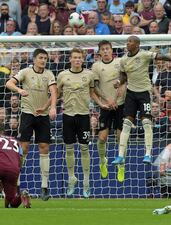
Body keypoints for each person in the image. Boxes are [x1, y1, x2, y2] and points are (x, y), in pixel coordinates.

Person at [111, 36, 171, 182]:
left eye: (130, 41)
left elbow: (163, 56)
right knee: (126, 124)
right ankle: (120, 155)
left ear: (137, 45)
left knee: (146, 123)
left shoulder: (144, 55)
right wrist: (119, 82)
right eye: (127, 41)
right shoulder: (123, 59)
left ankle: (148, 154)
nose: (127, 43)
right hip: (131, 94)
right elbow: (123, 75)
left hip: (144, 93)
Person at [5, 48, 57, 201]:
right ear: (34, 59)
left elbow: (54, 91)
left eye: (45, 58)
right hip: (27, 113)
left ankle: (44, 187)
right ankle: (17, 185)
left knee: (44, 147)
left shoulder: (49, 74)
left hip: (43, 114)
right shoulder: (25, 72)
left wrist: (51, 107)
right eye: (40, 58)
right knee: (23, 148)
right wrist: (19, 90)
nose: (43, 60)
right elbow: (9, 83)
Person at [57, 48, 104, 198]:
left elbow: (92, 93)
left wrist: (101, 104)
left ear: (83, 59)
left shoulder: (89, 75)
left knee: (84, 149)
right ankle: (72, 178)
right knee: (69, 148)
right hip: (68, 116)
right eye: (75, 57)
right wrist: (47, 107)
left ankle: (86, 181)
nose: (77, 60)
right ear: (70, 59)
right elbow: (56, 94)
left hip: (84, 116)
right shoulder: (62, 75)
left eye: (80, 58)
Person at [91, 40, 125, 179]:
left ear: (112, 50)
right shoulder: (96, 66)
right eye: (103, 49)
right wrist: (106, 100)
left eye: (107, 49)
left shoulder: (119, 62)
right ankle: (102, 160)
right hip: (105, 106)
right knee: (102, 138)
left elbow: (124, 81)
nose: (105, 51)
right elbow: (95, 88)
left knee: (120, 138)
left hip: (120, 104)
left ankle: (121, 164)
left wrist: (116, 100)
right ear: (99, 52)